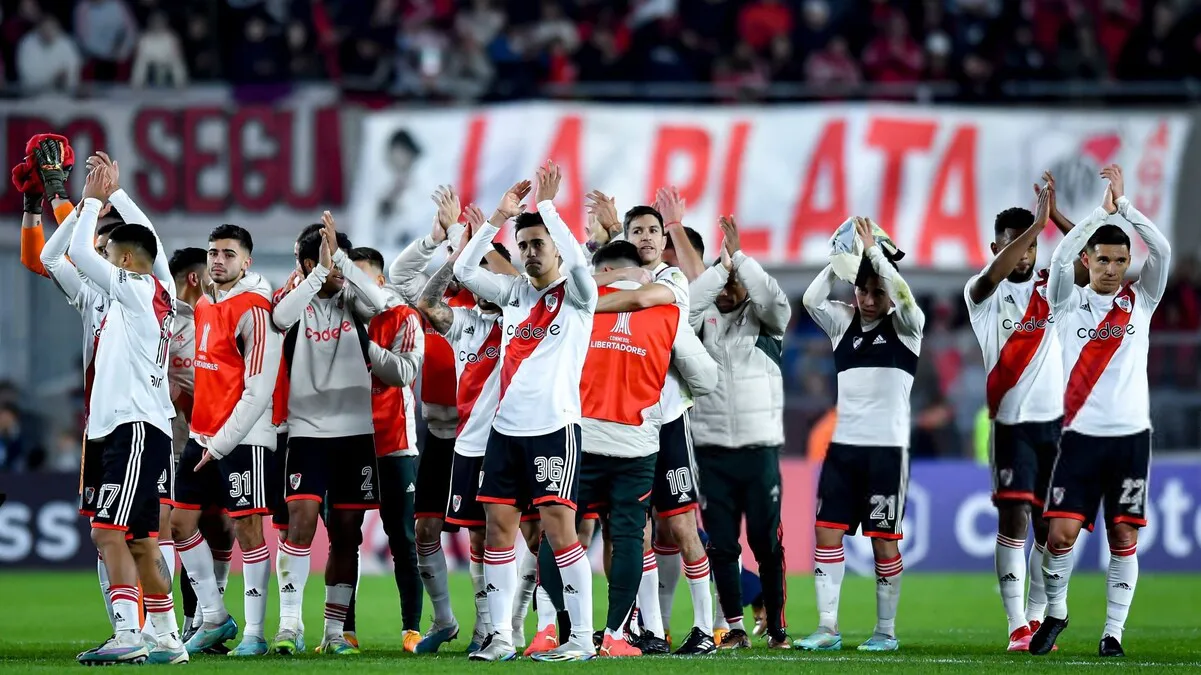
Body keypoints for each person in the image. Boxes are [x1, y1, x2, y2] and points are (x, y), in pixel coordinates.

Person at [452, 162, 598, 662]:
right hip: (504, 433)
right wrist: (497, 218)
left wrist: (550, 208)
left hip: (554, 429)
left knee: (559, 532)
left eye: (540, 244)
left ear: (556, 247)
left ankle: (580, 638)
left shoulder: (578, 297)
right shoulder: (514, 294)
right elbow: (463, 271)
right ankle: (501, 637)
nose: (531, 251)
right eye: (524, 245)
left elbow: (580, 265)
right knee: (497, 530)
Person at [549, 240, 717, 658]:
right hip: (639, 441)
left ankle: (557, 630)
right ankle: (617, 634)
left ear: (602, 270)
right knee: (629, 537)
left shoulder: (577, 306)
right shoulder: (668, 310)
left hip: (579, 437)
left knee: (562, 528)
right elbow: (707, 379)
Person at [1031, 165, 1171, 657]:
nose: (1112, 268)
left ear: (1129, 261)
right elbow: (1060, 255)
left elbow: (1163, 250)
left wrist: (1125, 208)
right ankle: (1056, 612)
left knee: (1123, 535)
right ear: (1087, 260)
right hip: (1080, 438)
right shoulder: (1066, 302)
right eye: (1104, 259)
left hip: (1130, 438)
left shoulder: (1142, 301)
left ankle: (1113, 633)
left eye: (1121, 260)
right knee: (1059, 535)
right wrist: (1099, 213)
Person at [69, 162, 184, 665]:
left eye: (111, 255)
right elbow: (149, 236)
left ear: (128, 260)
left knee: (106, 533)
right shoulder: (162, 291)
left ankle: (127, 634)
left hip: (131, 427)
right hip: (142, 425)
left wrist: (93, 201)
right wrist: (118, 194)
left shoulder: (134, 289)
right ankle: (168, 638)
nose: (104, 260)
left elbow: (77, 254)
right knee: (140, 540)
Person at [797, 216, 924, 653]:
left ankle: (886, 631)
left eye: (877, 292)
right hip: (844, 450)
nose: (869, 299)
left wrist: (875, 256)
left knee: (883, 542)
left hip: (887, 452)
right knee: (826, 532)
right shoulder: (842, 324)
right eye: (862, 290)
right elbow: (811, 299)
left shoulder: (908, 327)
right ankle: (827, 628)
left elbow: (904, 297)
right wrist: (841, 259)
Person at [270, 212, 389, 656]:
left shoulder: (354, 299)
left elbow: (380, 302)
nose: (338, 268)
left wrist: (339, 260)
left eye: (341, 260)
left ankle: (335, 632)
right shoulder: (294, 299)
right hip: (305, 432)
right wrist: (318, 272)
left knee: (346, 533)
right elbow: (280, 318)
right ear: (306, 265)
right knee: (300, 522)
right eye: (328, 260)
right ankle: (289, 625)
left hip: (355, 432)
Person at [963, 182, 1071, 651]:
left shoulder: (1055, 287)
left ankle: (1036, 617)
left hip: (1056, 426)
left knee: (1049, 528)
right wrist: (1035, 227)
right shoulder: (981, 294)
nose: (1024, 254)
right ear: (996, 248)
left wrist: (1056, 218)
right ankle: (1016, 626)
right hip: (1010, 425)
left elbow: (1094, 256)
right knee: (1014, 520)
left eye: (1030, 246)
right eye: (1014, 244)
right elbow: (994, 275)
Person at [411, 206, 515, 652]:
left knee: (493, 535)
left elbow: (525, 287)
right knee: (438, 530)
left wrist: (487, 244)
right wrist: (459, 257)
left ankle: (498, 627)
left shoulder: (521, 320)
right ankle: (455, 622)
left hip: (507, 441)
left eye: (490, 276)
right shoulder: (465, 323)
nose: (482, 283)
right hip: (456, 439)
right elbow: (426, 302)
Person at [179, 225, 283, 657]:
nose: (218, 260)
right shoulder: (204, 302)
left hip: (243, 439)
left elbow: (258, 392)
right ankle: (214, 616)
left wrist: (220, 445)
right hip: (200, 433)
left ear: (246, 262)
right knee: (180, 523)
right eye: (213, 253)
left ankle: (255, 634)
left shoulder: (256, 310)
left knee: (247, 528)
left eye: (228, 254)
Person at [689, 215, 792, 650]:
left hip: (759, 449)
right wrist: (721, 268)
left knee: (765, 543)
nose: (728, 289)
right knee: (722, 546)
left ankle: (778, 627)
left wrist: (741, 260)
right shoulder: (699, 322)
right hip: (712, 451)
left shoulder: (767, 322)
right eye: (723, 282)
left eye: (736, 283)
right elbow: (685, 307)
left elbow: (774, 299)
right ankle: (733, 627)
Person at [387, 186, 481, 653]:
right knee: (424, 530)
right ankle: (444, 621)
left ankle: (492, 625)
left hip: (479, 437)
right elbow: (399, 276)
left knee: (484, 534)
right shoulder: (431, 307)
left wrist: (469, 246)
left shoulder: (488, 309)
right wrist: (441, 239)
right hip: (438, 436)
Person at [346, 246, 425, 651]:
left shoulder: (403, 317)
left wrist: (362, 342)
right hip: (346, 442)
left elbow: (403, 372)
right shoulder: (336, 317)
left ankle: (411, 628)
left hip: (393, 443)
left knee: (403, 539)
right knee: (345, 539)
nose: (353, 287)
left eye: (361, 278)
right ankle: (344, 631)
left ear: (379, 282)